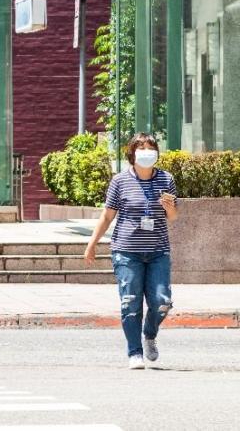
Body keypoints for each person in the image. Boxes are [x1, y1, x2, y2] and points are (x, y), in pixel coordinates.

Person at [85, 133, 178, 370]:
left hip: (158, 251)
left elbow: (173, 217)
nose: (147, 151)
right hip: (127, 251)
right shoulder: (120, 181)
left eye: (151, 147)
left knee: (162, 301)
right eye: (141, 147)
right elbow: (108, 215)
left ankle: (149, 335)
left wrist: (169, 207)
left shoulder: (166, 179)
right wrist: (92, 243)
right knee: (130, 302)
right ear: (132, 153)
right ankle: (134, 352)